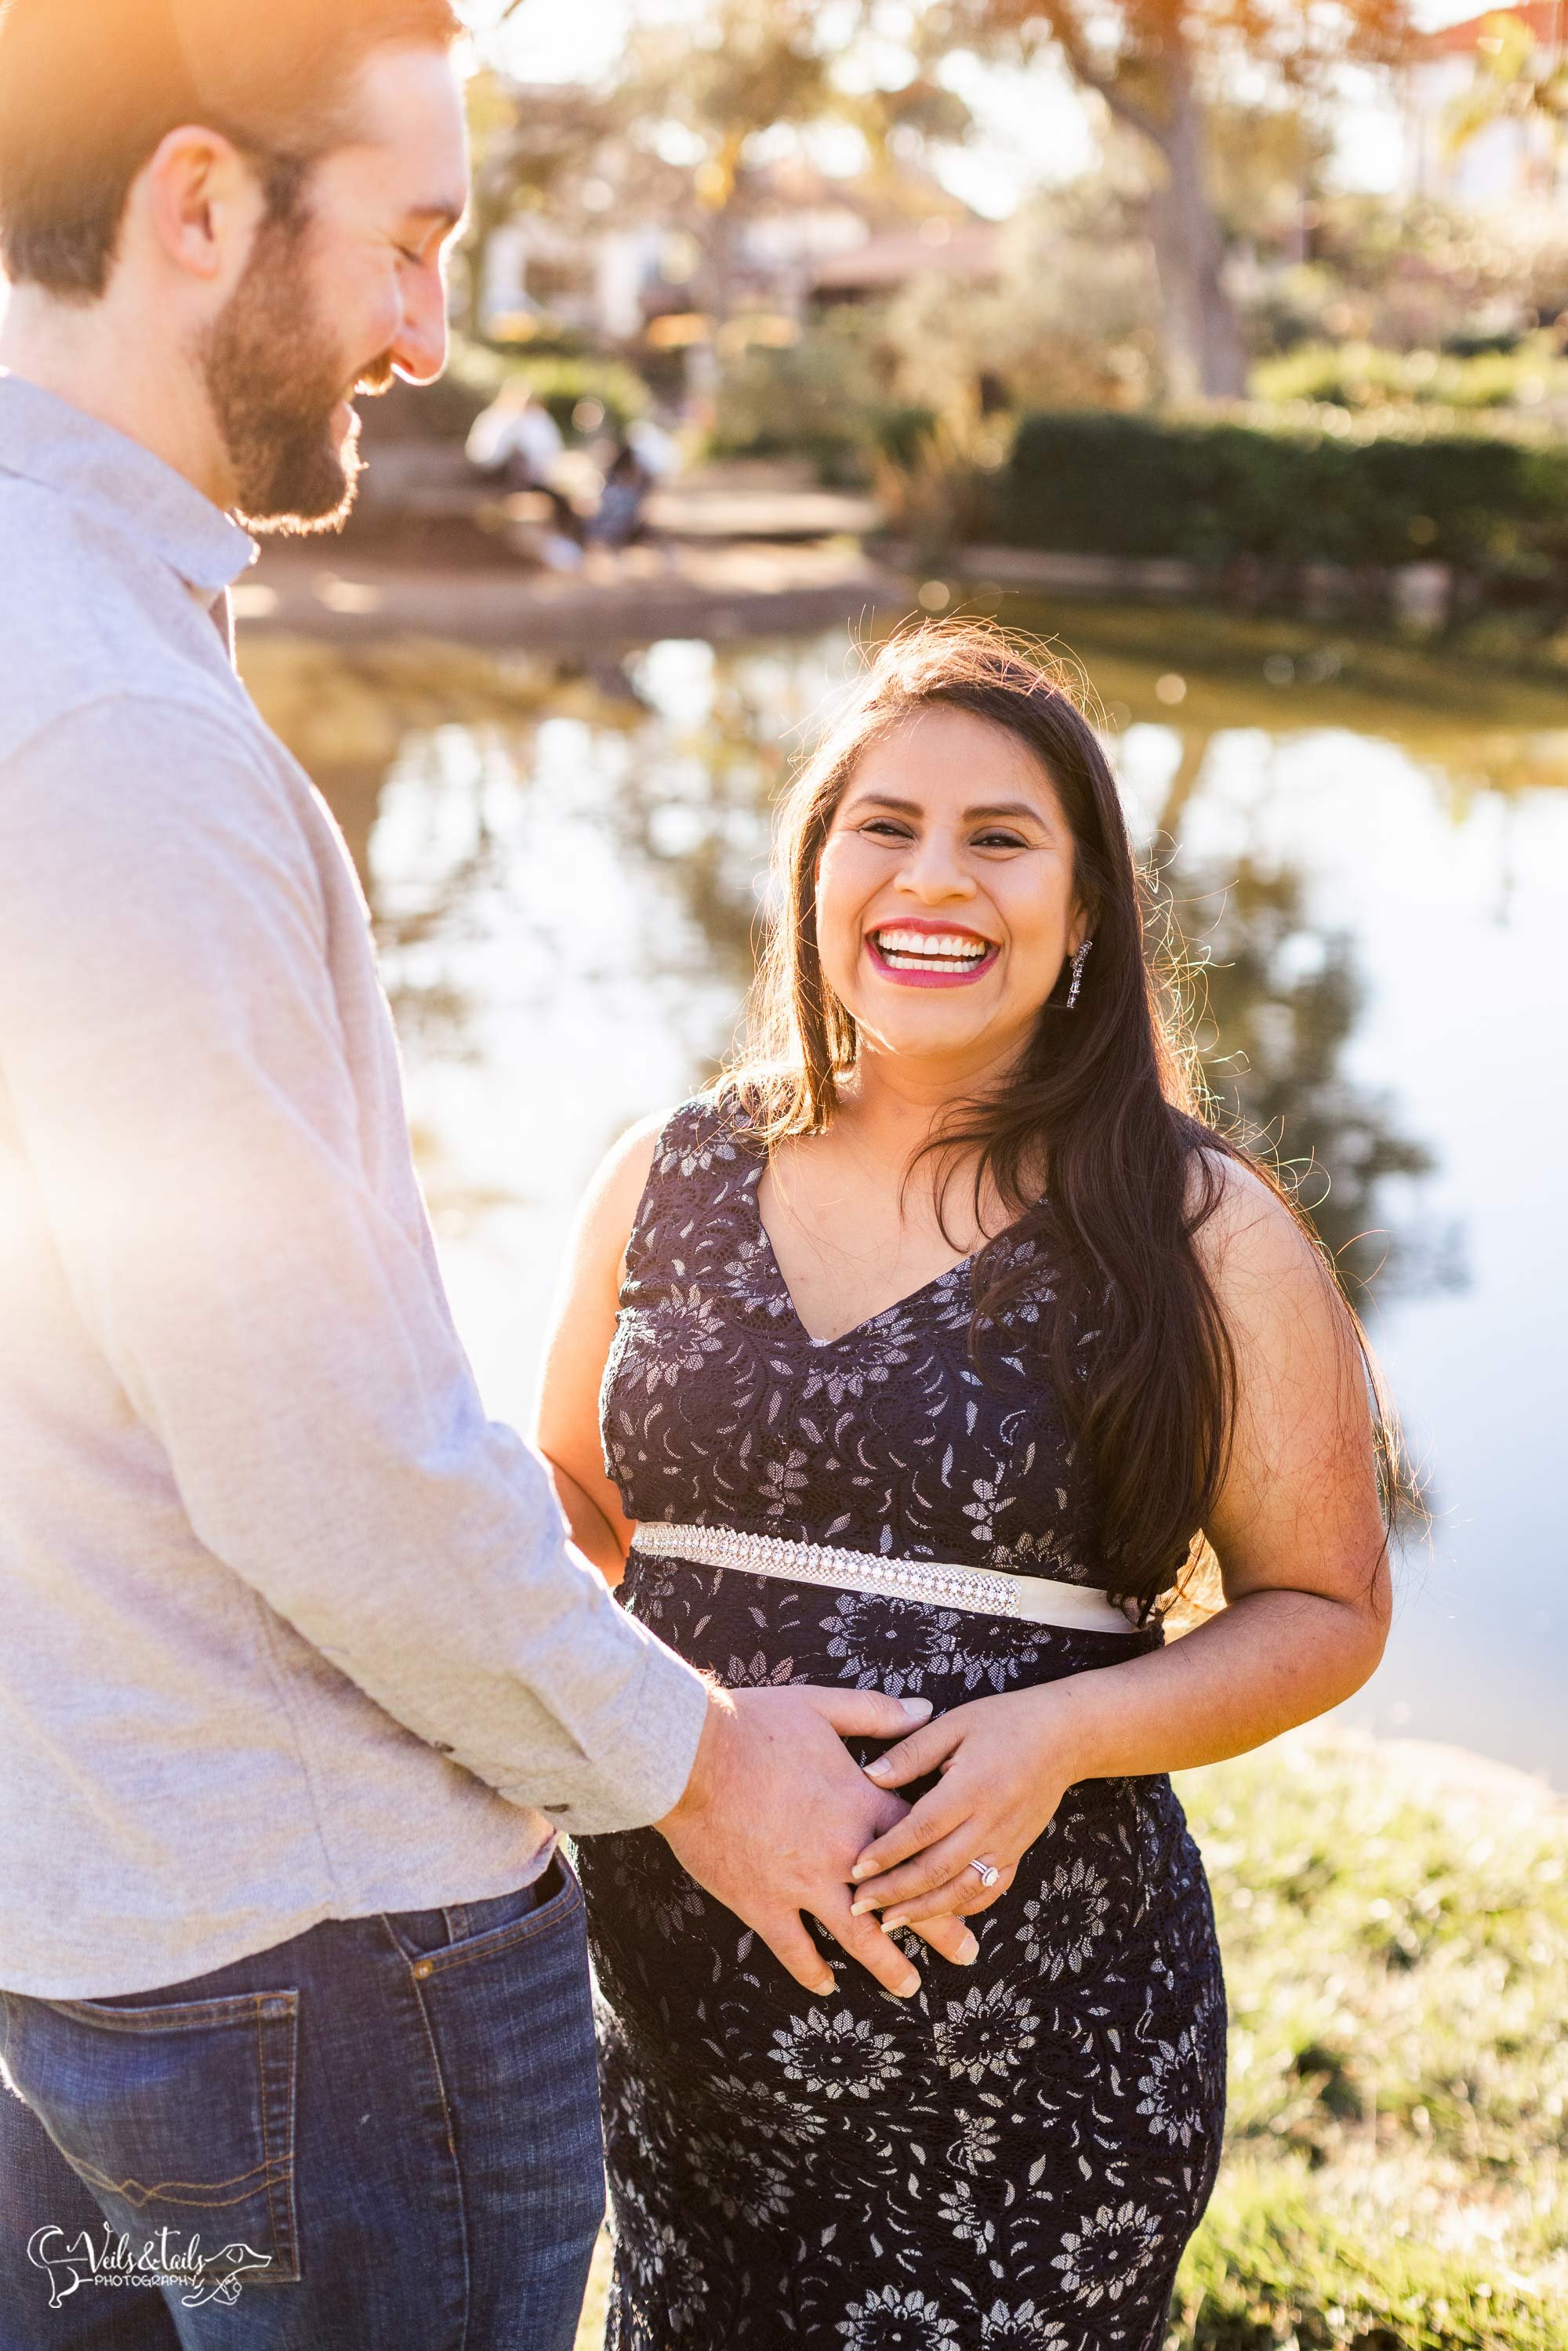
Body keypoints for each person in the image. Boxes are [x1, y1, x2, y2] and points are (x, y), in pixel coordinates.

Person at [0, 7, 965, 2346]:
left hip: (83, 1956)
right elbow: (318, 1451)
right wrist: (692, 1760)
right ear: (201, 205)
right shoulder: (119, 730)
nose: (433, 332)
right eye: (411, 247)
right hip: (315, 1997)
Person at [537, 624, 1399, 2348]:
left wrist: (1054, 1734)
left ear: (1085, 917)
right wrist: (680, 1735)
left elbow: (1326, 1608)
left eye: (999, 838)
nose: (933, 877)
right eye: (884, 826)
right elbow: (564, 1498)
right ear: (813, 872)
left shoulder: (1196, 1225)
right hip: (679, 2041)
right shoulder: (666, 1168)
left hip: (1037, 2071)